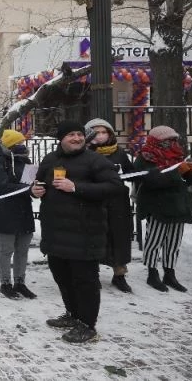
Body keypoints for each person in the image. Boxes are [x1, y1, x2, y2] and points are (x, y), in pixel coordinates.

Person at [31, 120, 125, 344]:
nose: (77, 138)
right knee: (62, 278)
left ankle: (87, 325)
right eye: (71, 135)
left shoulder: (95, 160)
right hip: (55, 232)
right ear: (61, 139)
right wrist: (34, 191)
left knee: (85, 282)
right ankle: (73, 315)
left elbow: (115, 186)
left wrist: (76, 187)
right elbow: (37, 183)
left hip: (85, 233)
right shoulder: (50, 160)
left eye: (79, 134)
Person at [132, 125, 192, 293]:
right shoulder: (145, 157)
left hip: (179, 205)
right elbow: (152, 180)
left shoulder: (177, 155)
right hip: (157, 206)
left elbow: (185, 182)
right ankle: (152, 273)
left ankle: (170, 273)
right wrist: (177, 174)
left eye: (173, 140)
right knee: (155, 240)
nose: (171, 143)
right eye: (167, 140)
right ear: (156, 141)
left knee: (174, 242)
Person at [84, 117, 134, 293]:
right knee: (94, 237)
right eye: (96, 132)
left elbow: (131, 172)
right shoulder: (84, 153)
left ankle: (119, 274)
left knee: (119, 238)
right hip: (94, 202)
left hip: (117, 202)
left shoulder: (119, 153)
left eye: (104, 132)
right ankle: (92, 273)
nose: (100, 135)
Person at [0, 129, 36, 299]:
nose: (22, 145)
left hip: (24, 210)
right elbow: (2, 186)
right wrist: (27, 189)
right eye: (18, 143)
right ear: (10, 145)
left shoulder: (25, 160)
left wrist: (36, 189)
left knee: (23, 250)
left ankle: (20, 282)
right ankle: (5, 283)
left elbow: (30, 184)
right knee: (6, 250)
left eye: (23, 142)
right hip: (4, 211)